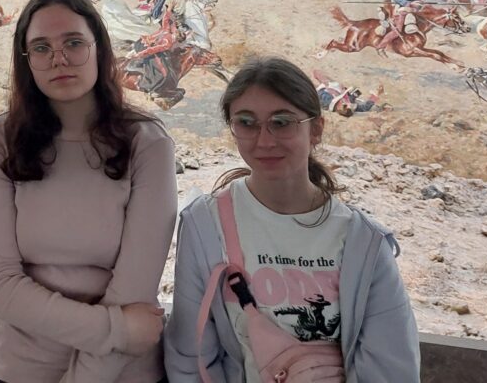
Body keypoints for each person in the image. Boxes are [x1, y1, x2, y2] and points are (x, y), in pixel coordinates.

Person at [164, 57, 419, 382]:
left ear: (316, 129)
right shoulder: (204, 225)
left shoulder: (364, 243)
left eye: (282, 122)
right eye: (247, 123)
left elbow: (391, 368)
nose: (265, 140)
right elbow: (191, 356)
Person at [0, 0, 175, 383]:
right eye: (41, 48)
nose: (59, 59)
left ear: (99, 48)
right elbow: (0, 287)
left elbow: (135, 286)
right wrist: (116, 330)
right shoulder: (0, 141)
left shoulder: (148, 143)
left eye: (73, 43)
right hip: (19, 369)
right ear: (26, 60)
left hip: (120, 372)